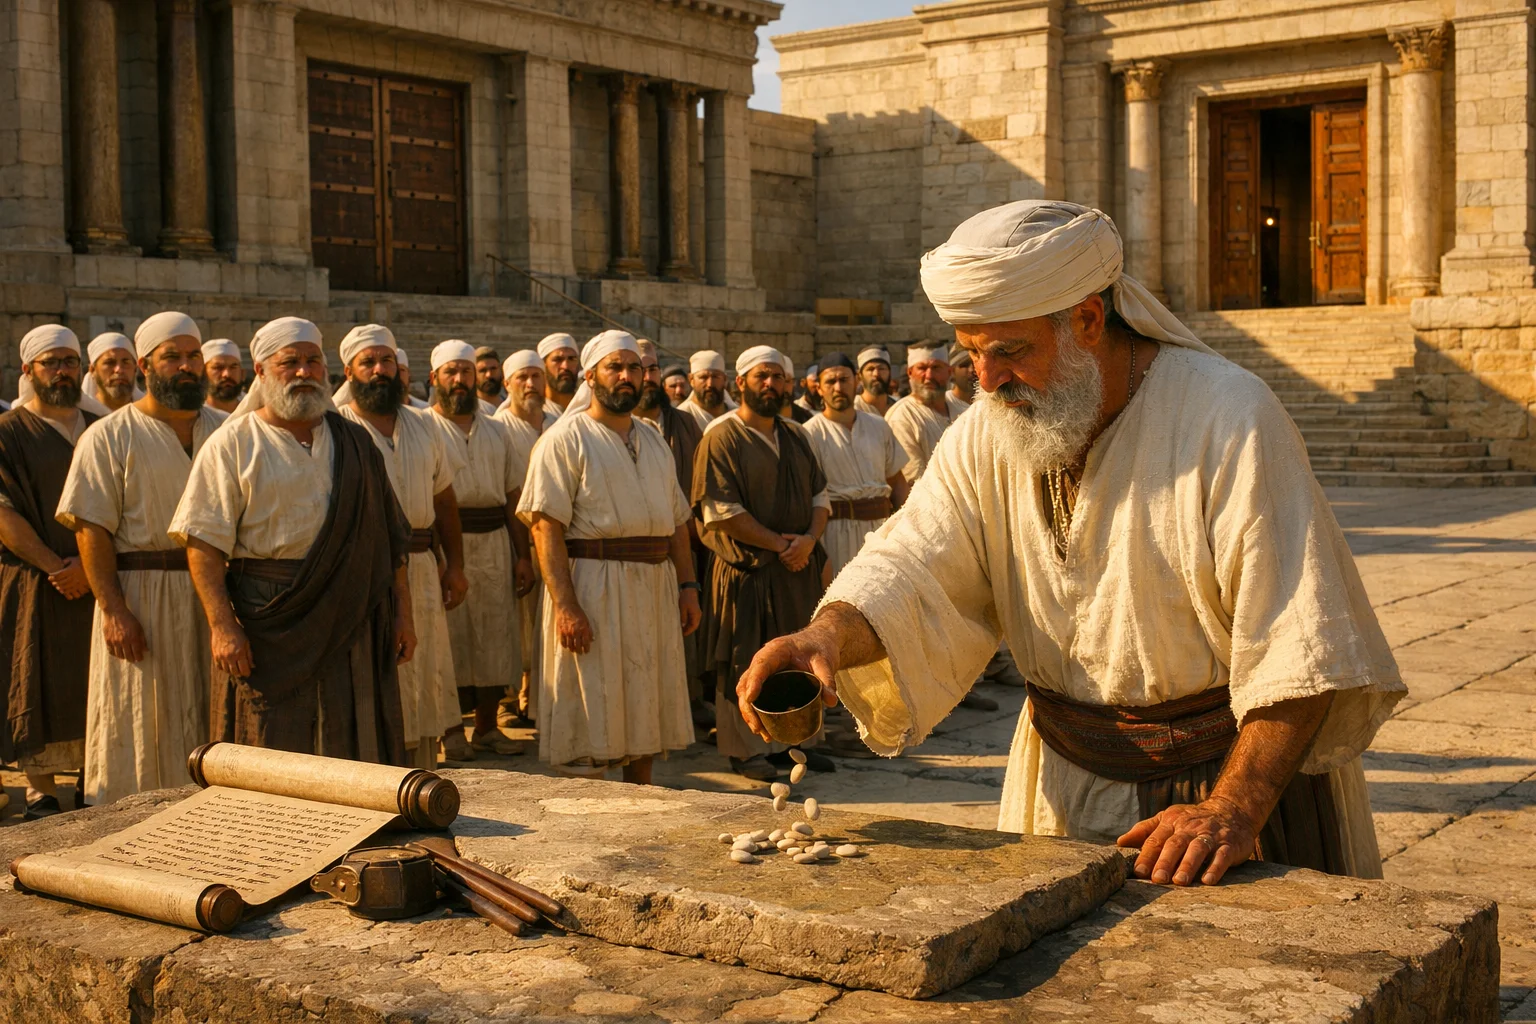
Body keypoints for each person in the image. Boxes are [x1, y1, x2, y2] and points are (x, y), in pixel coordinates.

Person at [736, 200, 1406, 887]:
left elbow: (1301, 638)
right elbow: (914, 560)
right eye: (970, 354)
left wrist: (1233, 808)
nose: (986, 380)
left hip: (1219, 805)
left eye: (1009, 351)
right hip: (1058, 780)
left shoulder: (1228, 418)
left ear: (1088, 319)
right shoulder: (988, 430)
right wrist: (826, 634)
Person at [170, 316, 412, 763]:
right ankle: (275, 831)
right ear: (260, 372)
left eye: (313, 362)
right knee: (272, 739)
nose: (304, 372)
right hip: (268, 616)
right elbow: (203, 543)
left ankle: (355, 821)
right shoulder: (232, 444)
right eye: (290, 363)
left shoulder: (355, 441)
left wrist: (403, 615)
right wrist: (223, 626)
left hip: (353, 607)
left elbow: (391, 539)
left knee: (352, 727)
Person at [517, 330, 701, 784]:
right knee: (591, 703)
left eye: (634, 368)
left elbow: (678, 522)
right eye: (614, 367)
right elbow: (545, 527)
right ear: (591, 375)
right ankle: (588, 812)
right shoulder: (564, 440)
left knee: (645, 701)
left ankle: (642, 797)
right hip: (592, 586)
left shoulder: (655, 441)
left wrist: (688, 586)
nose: (625, 376)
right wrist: (566, 605)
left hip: (653, 587)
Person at [57, 311, 223, 806]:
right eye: (172, 356)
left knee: (211, 713)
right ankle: (134, 819)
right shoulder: (108, 436)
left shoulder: (229, 430)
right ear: (146, 365)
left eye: (194, 355)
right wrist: (113, 609)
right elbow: (91, 528)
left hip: (215, 596)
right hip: (141, 597)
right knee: (142, 714)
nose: (186, 365)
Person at [692, 345, 832, 782]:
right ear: (741, 383)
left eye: (777, 378)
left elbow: (820, 499)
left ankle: (795, 746)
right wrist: (780, 545)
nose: (770, 385)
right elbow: (721, 511)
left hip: (795, 570)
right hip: (747, 573)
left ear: (789, 385)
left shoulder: (796, 434)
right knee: (744, 657)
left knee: (798, 658)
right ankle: (747, 748)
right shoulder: (722, 435)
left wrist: (808, 541)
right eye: (761, 377)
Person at [336, 323, 468, 766]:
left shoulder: (425, 427)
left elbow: (444, 497)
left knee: (424, 675)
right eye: (368, 362)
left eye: (386, 360)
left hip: (422, 568)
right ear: (349, 370)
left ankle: (421, 779)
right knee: (374, 678)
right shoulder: (334, 429)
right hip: (363, 573)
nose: (379, 370)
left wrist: (455, 564)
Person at [0, 325, 101, 817]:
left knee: (93, 681)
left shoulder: (101, 425)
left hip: (99, 577)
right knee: (34, 679)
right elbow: (3, 512)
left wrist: (91, 565)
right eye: (51, 362)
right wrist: (56, 566)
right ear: (28, 371)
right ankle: (41, 789)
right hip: (35, 579)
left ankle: (93, 778)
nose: (63, 370)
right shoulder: (8, 432)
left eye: (70, 361)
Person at [426, 340, 531, 757]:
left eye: (465, 372)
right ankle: (449, 729)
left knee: (495, 634)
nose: (459, 380)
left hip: (494, 544)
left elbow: (512, 496)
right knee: (447, 639)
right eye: (451, 372)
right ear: (435, 378)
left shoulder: (498, 430)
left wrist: (522, 554)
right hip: (442, 546)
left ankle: (487, 727)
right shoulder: (422, 427)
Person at [634, 338, 713, 734]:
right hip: (630, 553)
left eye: (651, 369)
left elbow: (699, 485)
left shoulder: (683, 423)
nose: (646, 377)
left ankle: (687, 701)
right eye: (639, 368)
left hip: (682, 542)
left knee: (684, 630)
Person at [800, 353, 909, 578]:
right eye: (830, 382)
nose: (838, 387)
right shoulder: (810, 433)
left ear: (856, 382)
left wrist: (905, 529)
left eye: (844, 380)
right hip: (834, 535)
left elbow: (896, 482)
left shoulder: (879, 426)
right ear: (819, 388)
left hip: (882, 531)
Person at [495, 349, 559, 725]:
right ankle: (510, 698)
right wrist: (521, 551)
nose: (531, 384)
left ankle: (540, 698)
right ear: (508, 384)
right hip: (517, 540)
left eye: (537, 376)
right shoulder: (500, 427)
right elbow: (509, 494)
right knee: (518, 624)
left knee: (546, 622)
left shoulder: (559, 423)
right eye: (523, 378)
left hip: (555, 539)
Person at [885, 342, 970, 484]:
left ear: (949, 372)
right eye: (922, 368)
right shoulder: (902, 417)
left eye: (936, 368)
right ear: (910, 373)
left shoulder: (963, 411)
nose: (929, 376)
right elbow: (914, 478)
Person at [83, 332, 143, 412]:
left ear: (135, 369)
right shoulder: (82, 418)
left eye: (126, 362)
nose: (119, 370)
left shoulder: (150, 416)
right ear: (92, 370)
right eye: (110, 363)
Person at [679, 350, 736, 431]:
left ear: (725, 379)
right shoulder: (681, 419)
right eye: (703, 377)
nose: (710, 384)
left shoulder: (737, 417)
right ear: (691, 379)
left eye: (715, 377)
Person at [539, 333, 581, 417]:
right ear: (543, 365)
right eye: (557, 360)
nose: (565, 366)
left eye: (572, 359)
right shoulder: (535, 413)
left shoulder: (588, 409)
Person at [202, 338, 246, 413]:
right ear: (203, 373)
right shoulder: (194, 415)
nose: (227, 374)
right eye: (218, 368)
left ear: (242, 374)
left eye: (233, 367)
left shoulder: (254, 409)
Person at [853, 347, 894, 417]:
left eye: (881, 369)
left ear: (889, 373)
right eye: (870, 369)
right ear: (859, 376)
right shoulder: (854, 410)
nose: (876, 374)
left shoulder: (899, 408)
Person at [474, 345, 506, 413]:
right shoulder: (471, 411)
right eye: (482, 370)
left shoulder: (510, 407)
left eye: (493, 369)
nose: (489, 375)